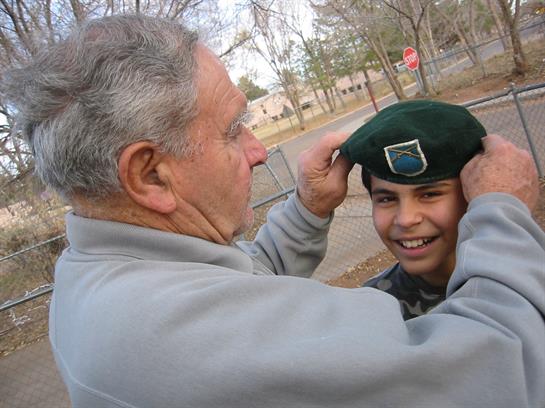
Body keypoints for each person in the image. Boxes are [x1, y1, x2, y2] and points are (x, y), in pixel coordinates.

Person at [2, 14, 544, 408]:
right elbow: (503, 366)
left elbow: (239, 291)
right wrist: (500, 210)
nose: (260, 150)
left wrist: (307, 210)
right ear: (149, 174)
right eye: (233, 129)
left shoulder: (95, 279)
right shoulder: (182, 337)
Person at [340, 100, 486, 319]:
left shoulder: (524, 276)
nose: (406, 219)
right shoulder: (371, 313)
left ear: (472, 193)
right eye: (387, 199)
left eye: (429, 194)